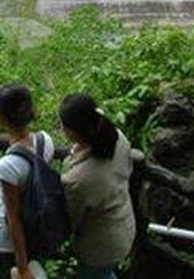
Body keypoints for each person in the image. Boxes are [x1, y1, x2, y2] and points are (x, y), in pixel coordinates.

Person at [0, 84, 55, 279]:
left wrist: (21, 267)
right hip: (36, 237)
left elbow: (14, 219)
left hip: (3, 245)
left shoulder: (7, 166)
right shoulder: (45, 142)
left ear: (1, 118)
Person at [58, 93, 136, 279]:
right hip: (124, 225)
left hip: (99, 247)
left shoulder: (78, 179)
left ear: (73, 132)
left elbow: (72, 218)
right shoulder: (118, 137)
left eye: (63, 125)